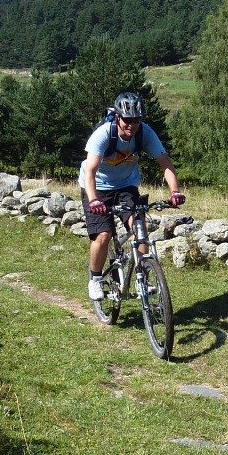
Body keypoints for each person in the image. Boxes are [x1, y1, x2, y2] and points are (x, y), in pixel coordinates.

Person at [78, 91, 185, 301]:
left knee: (140, 229)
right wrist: (94, 200)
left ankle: (143, 275)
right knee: (103, 235)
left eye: (136, 120)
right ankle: (96, 279)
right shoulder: (104, 134)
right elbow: (90, 171)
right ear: (118, 117)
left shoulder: (145, 133)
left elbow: (165, 163)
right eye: (127, 120)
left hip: (126, 186)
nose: (132, 125)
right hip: (97, 187)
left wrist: (175, 191)